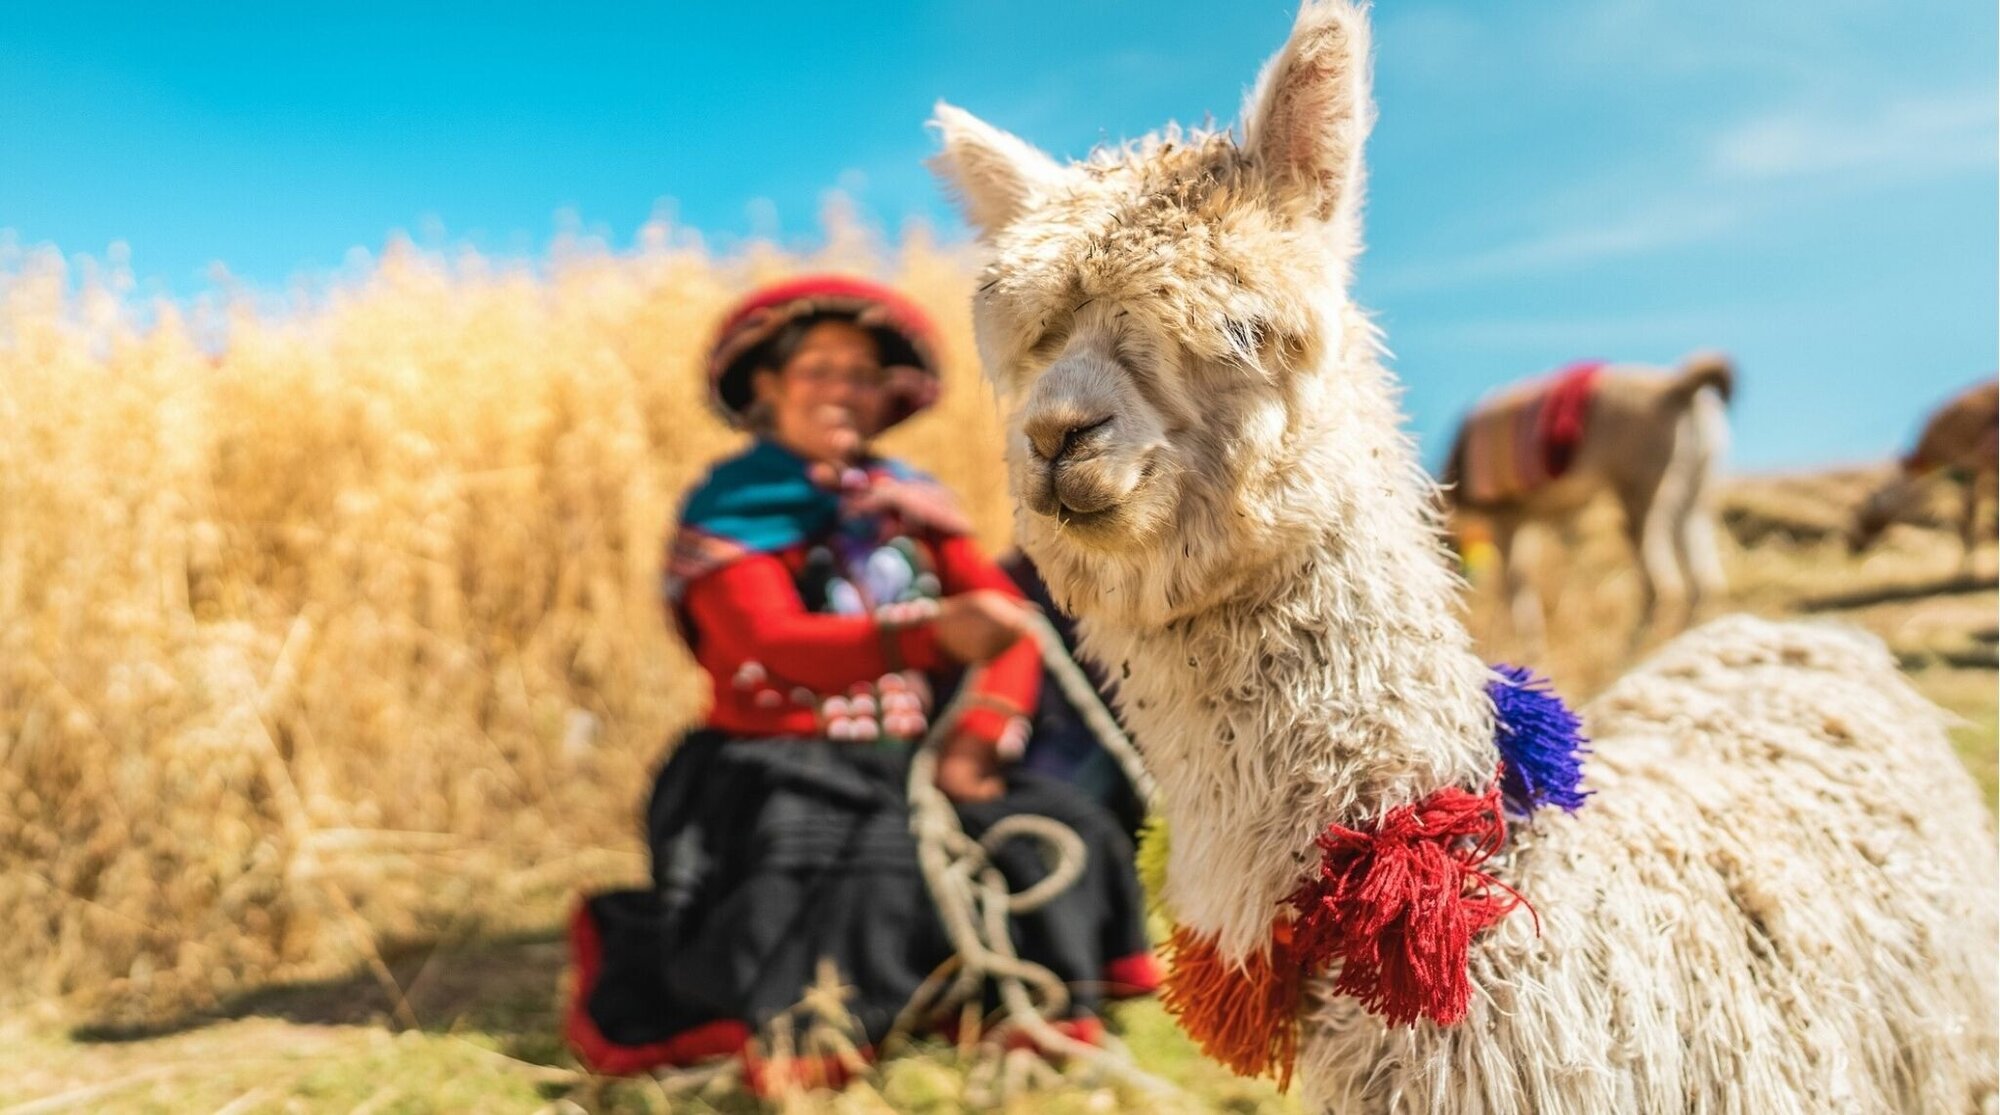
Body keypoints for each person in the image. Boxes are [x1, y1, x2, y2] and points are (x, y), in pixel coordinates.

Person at [566, 275, 1158, 1084]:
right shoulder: (732, 511)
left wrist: (980, 736)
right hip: (777, 760)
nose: (844, 390)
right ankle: (817, 1033)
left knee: (1059, 826)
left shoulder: (911, 506)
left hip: (908, 756)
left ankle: (1018, 1007)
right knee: (854, 858)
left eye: (862, 375)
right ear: (766, 390)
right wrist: (927, 634)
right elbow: (770, 642)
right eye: (819, 370)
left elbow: (1007, 627)